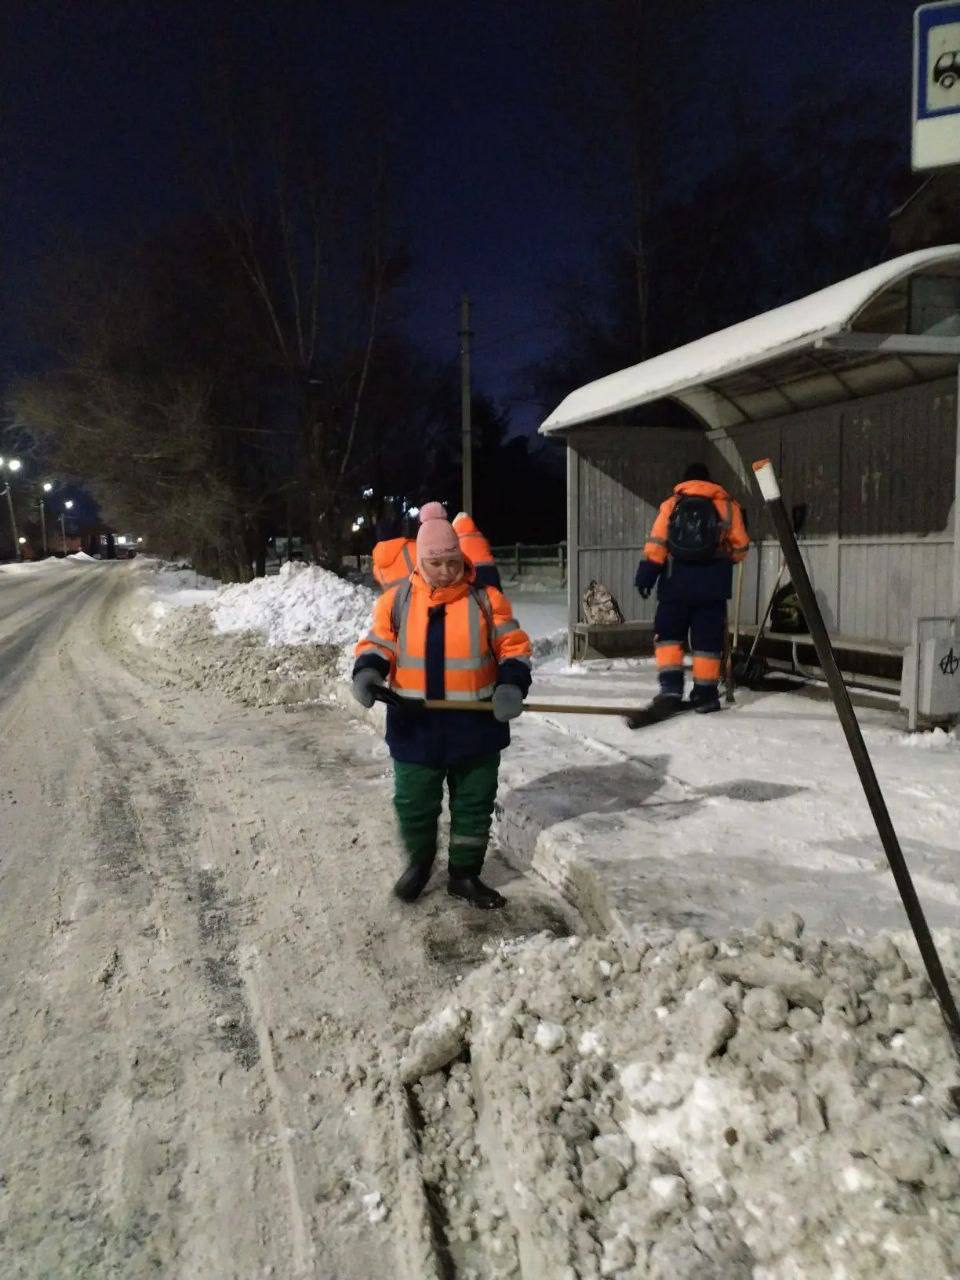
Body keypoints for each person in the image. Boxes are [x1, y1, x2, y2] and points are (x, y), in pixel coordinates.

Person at [352, 501, 532, 909]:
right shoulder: (396, 602)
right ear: (420, 562)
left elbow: (513, 648)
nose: (447, 570)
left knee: (473, 805)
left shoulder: (486, 600)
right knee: (414, 802)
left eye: (453, 561)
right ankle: (420, 862)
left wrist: (512, 685)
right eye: (437, 564)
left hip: (476, 725)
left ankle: (465, 875)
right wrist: (367, 672)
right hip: (416, 726)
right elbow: (378, 644)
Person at [634, 462, 749, 715]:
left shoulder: (671, 504)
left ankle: (671, 690)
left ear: (685, 480)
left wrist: (645, 578)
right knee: (707, 644)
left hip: (675, 586)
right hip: (713, 589)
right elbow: (740, 549)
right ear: (709, 480)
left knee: (669, 638)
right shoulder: (728, 505)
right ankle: (706, 694)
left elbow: (657, 545)